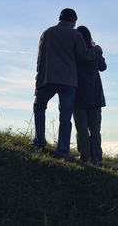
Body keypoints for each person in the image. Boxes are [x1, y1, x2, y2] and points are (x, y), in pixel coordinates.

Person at [33, 8, 96, 159]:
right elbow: (83, 56)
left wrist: (38, 81)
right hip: (68, 81)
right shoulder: (75, 35)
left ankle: (40, 141)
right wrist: (97, 51)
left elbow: (40, 58)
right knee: (65, 117)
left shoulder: (47, 33)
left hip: (48, 78)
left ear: (60, 18)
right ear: (74, 20)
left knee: (39, 107)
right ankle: (62, 151)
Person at [73, 26, 106, 164]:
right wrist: (97, 50)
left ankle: (85, 156)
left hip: (78, 94)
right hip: (95, 95)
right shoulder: (95, 51)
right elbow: (103, 67)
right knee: (95, 129)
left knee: (82, 129)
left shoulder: (74, 52)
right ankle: (97, 158)